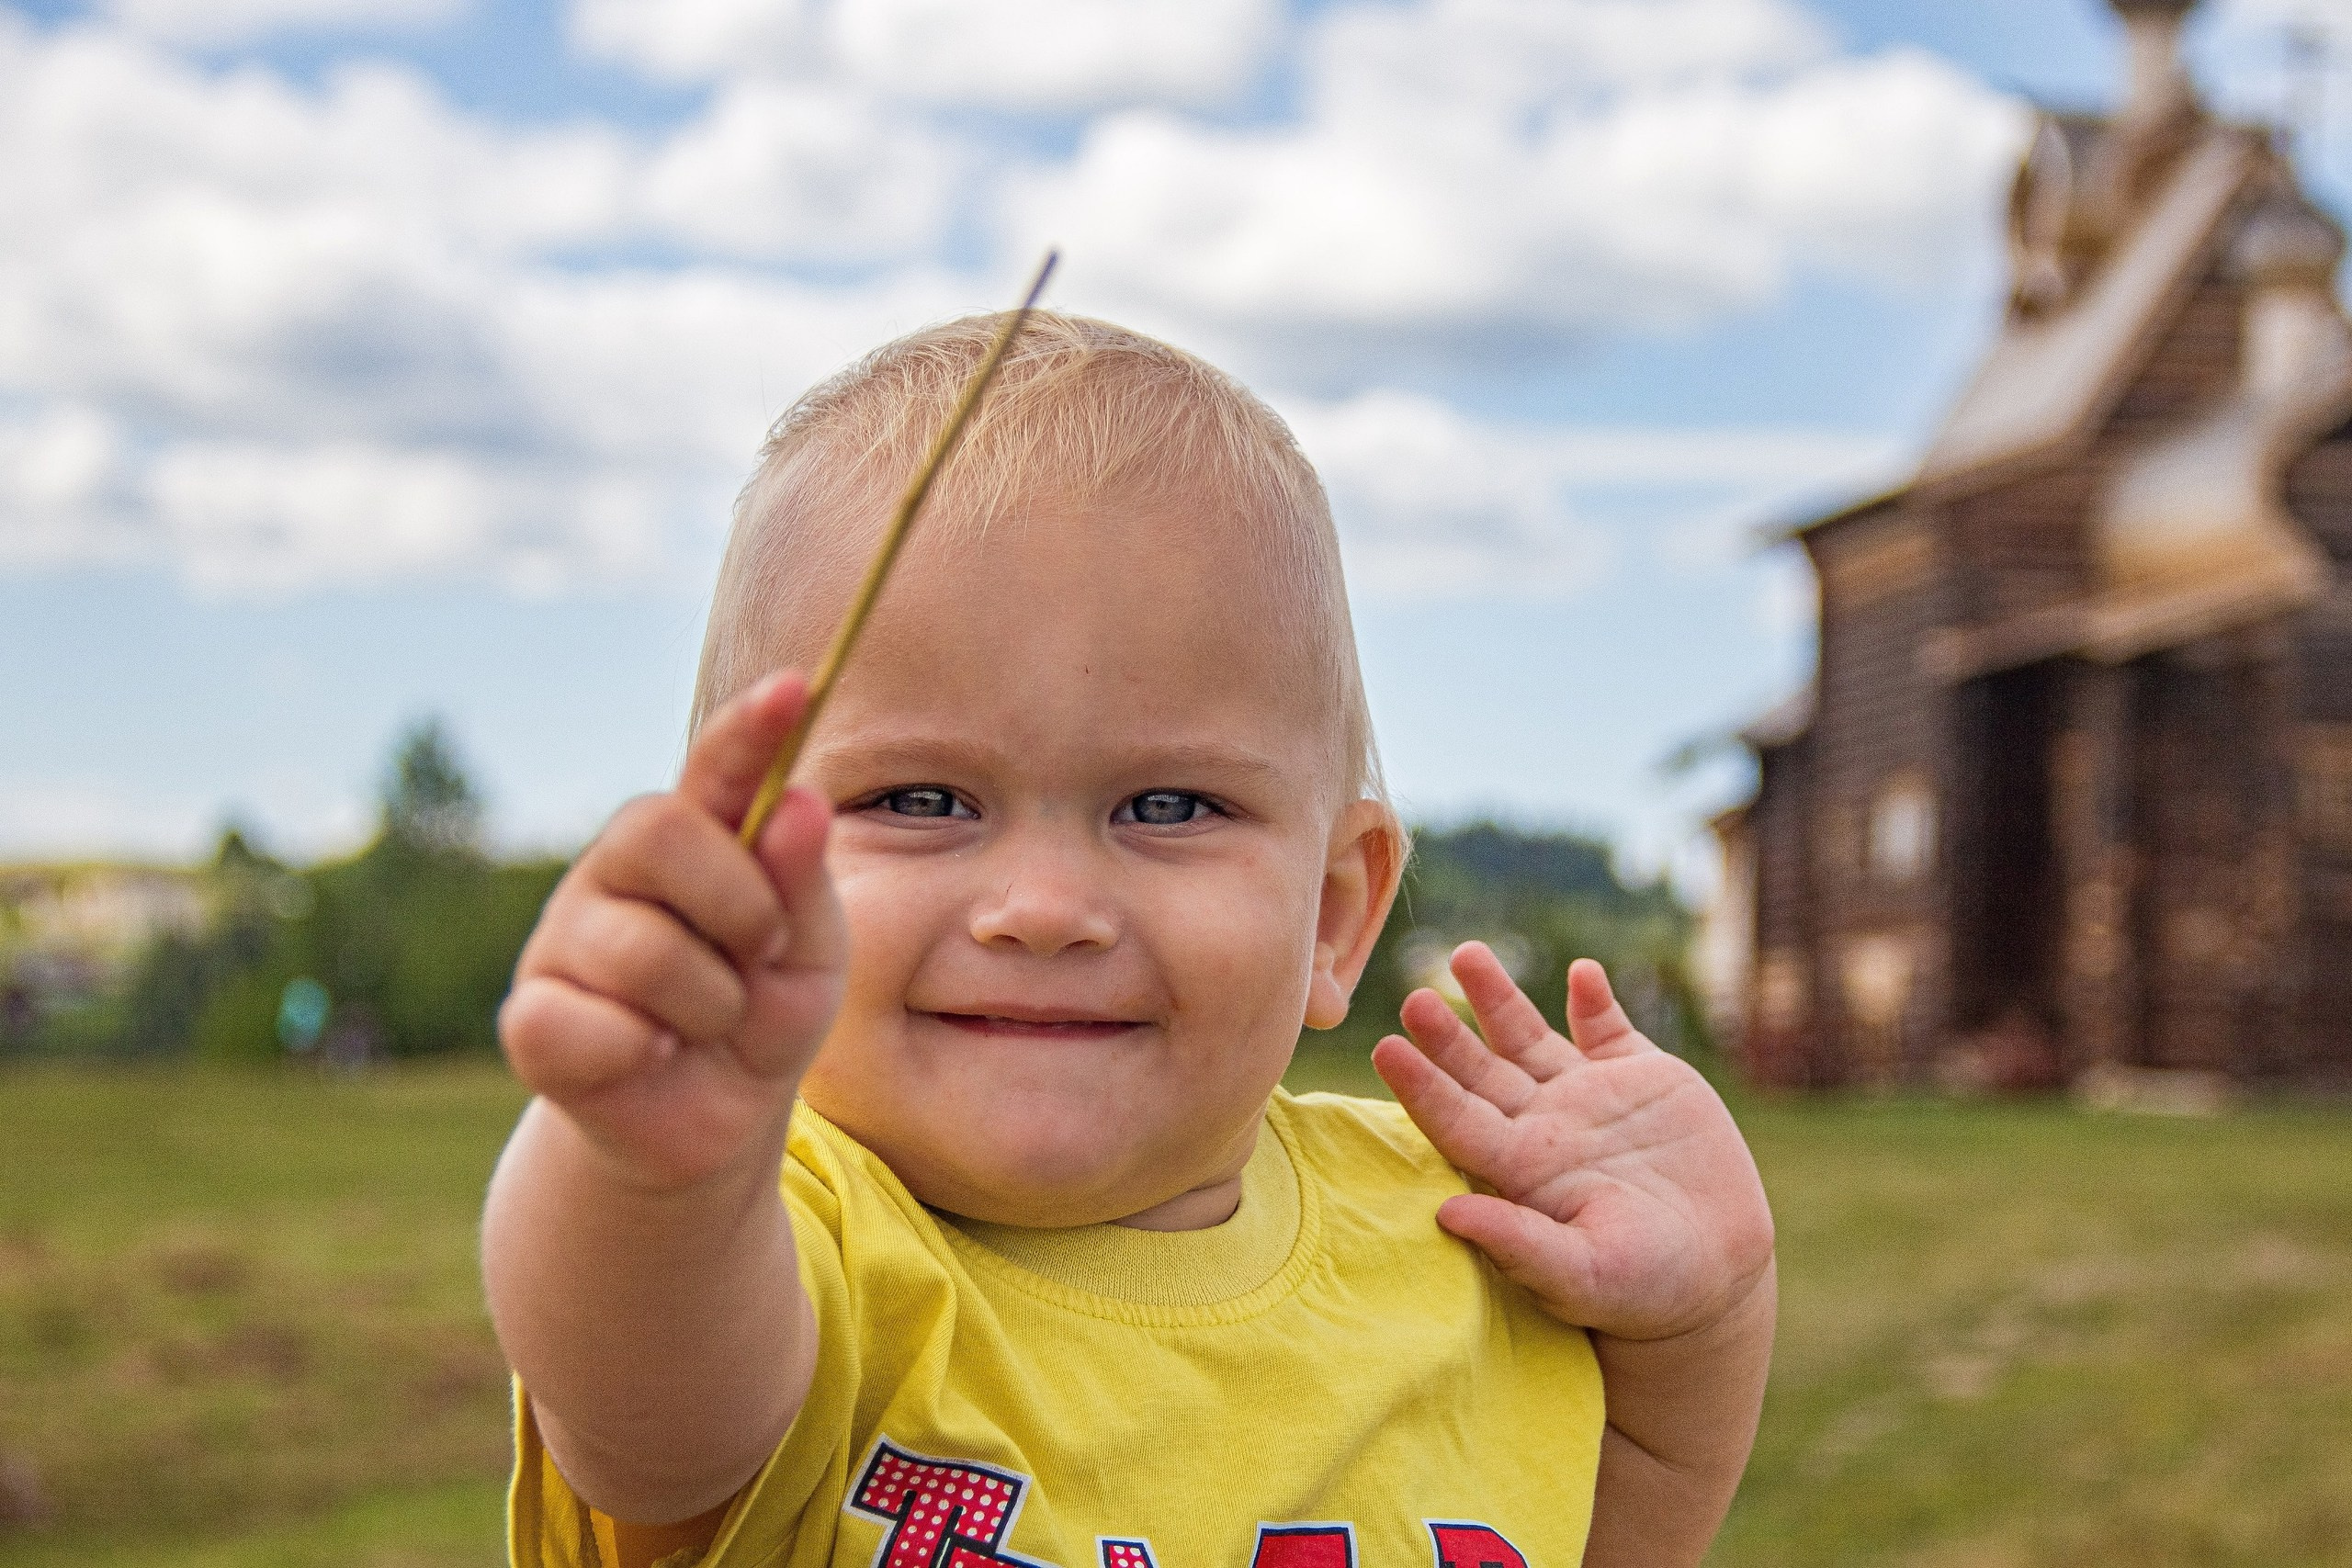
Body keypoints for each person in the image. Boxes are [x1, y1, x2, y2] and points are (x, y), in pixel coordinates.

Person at [481, 312, 1775, 1568]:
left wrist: (1701, 1320)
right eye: (920, 801)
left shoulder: (1458, 1235)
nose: (1043, 908)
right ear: (747, 865)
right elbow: (639, 1408)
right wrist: (645, 1169)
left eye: (1169, 807)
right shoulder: (790, 1248)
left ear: (1331, 916)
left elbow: (1609, 1527)